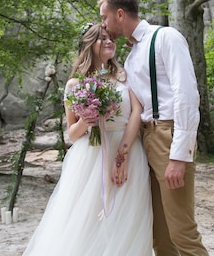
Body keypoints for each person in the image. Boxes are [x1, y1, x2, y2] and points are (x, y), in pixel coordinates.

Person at [22, 23, 153, 256]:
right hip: (91, 156)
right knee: (88, 220)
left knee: (127, 217)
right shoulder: (75, 84)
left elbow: (136, 113)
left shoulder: (125, 76)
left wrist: (122, 156)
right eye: (103, 38)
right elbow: (72, 133)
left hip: (128, 150)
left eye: (111, 37)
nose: (110, 42)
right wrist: (88, 119)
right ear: (89, 45)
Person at [99, 0, 209, 256]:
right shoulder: (133, 54)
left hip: (167, 136)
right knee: (160, 236)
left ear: (120, 14)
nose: (103, 24)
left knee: (182, 231)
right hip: (145, 140)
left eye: (105, 17)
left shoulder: (166, 38)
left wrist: (179, 155)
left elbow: (186, 95)